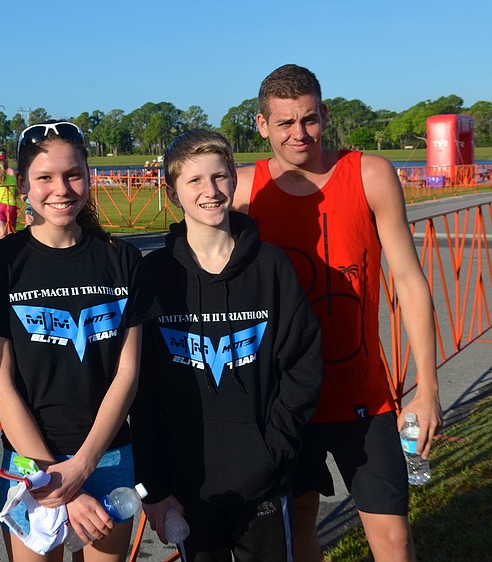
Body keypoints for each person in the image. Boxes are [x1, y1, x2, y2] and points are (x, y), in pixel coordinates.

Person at [233, 64, 442, 562]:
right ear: (261, 125)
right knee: (301, 521)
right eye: (284, 123)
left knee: (393, 537)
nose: (298, 134)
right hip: (282, 401)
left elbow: (410, 281)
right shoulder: (243, 190)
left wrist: (428, 388)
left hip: (362, 394)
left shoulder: (369, 173)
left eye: (308, 119)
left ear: (324, 114)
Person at [0, 121, 160, 561]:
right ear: (23, 185)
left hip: (107, 457)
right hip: (32, 466)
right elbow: (1, 384)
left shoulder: (122, 259)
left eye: (73, 174)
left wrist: (86, 463)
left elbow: (127, 373)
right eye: (45, 177)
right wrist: (57, 481)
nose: (62, 189)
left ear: (88, 176)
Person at [131, 129, 323, 561]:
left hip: (265, 479)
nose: (210, 191)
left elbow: (303, 366)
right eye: (194, 181)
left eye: (219, 177)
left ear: (234, 180)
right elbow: (140, 393)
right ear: (173, 191)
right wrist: (154, 488)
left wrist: (274, 450)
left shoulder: (271, 266)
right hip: (187, 484)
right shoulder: (155, 275)